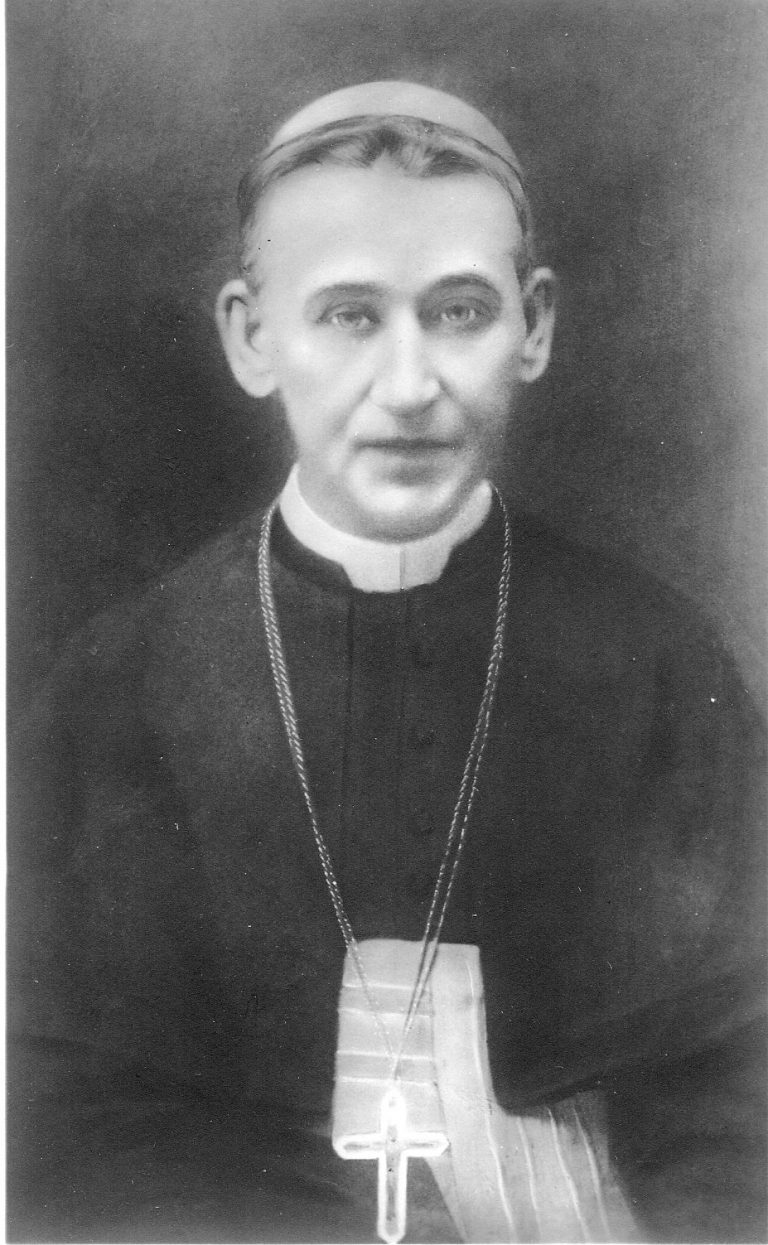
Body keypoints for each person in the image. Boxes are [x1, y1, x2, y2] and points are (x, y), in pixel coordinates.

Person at [8, 81, 766, 1244]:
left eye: (459, 312)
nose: (410, 387)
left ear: (536, 326)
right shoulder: (120, 691)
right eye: (351, 316)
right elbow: (73, 1134)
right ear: (253, 338)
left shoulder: (657, 663)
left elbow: (740, 1110)